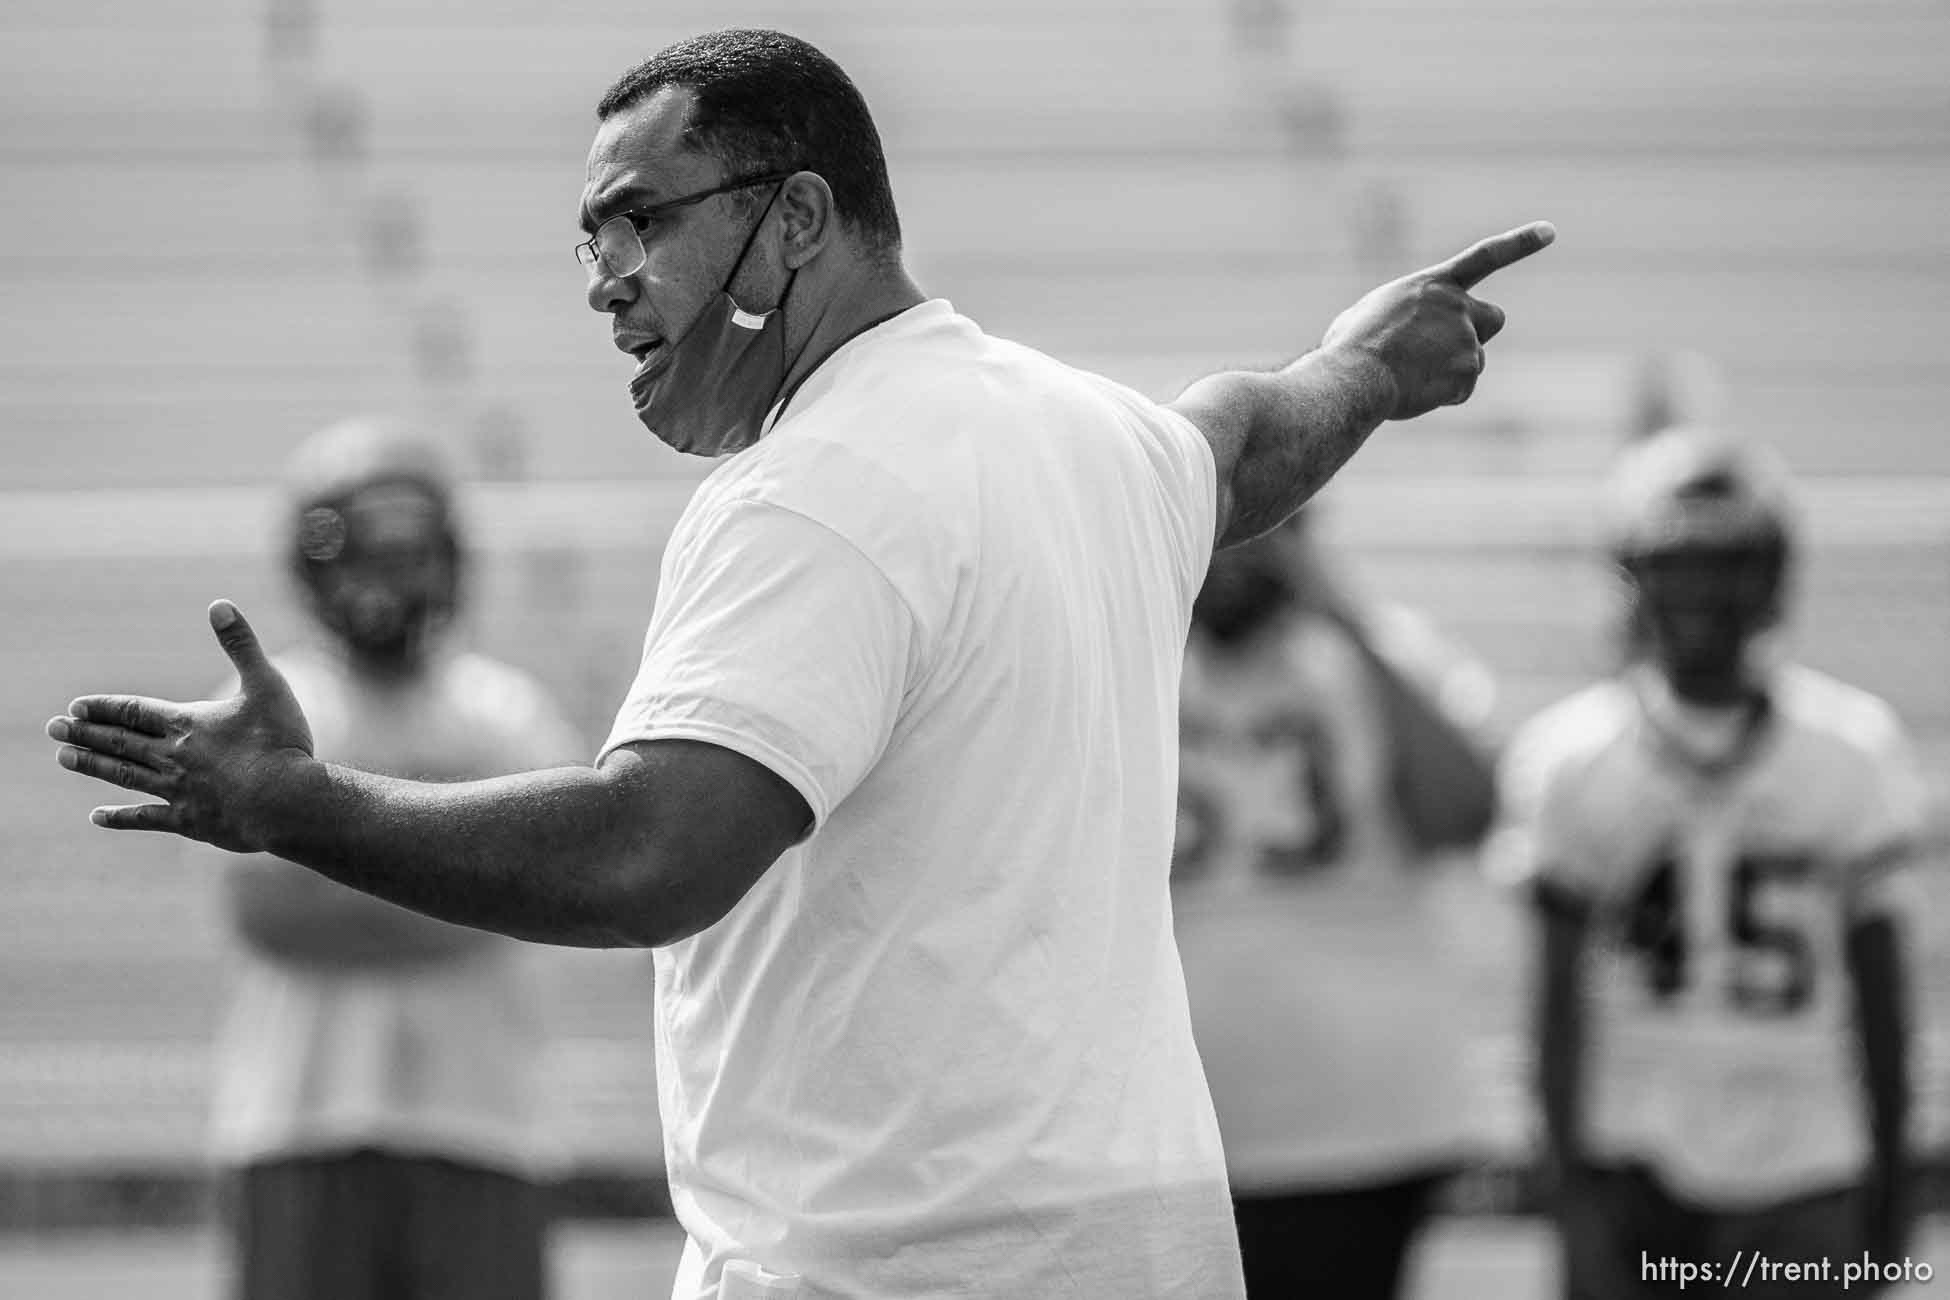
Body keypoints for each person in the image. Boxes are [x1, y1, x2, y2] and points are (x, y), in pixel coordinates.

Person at [46, 28, 1552, 1299]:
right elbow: (1254, 435)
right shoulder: (1088, 433)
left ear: (799, 217)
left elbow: (653, 855)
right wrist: (1369, 362)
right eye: (588, 237)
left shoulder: (815, 487)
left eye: (639, 220)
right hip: (1137, 1241)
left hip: (892, 1256)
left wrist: (297, 804)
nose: (604, 278)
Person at [1492, 426, 1928, 1299]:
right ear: (1633, 577)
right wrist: (1566, 1179)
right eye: (1676, 563)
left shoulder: (1852, 747)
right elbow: (1553, 1000)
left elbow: (1884, 991)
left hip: (1806, 1151)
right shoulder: (1571, 756)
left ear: (1772, 578)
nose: (1701, 592)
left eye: (1728, 563)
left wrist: (1895, 1167)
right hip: (1634, 1148)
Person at [208, 418, 586, 1300]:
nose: (384, 579)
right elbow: (267, 914)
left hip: (483, 1120)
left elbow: (555, 884)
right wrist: (462, 882)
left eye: (408, 551)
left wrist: (344, 869)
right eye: (356, 551)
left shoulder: (506, 713)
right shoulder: (274, 706)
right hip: (298, 1118)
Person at [1173, 511, 1499, 1299]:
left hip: (1361, 1122)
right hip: (1176, 1124)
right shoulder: (1123, 651)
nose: (1231, 557)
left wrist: (1342, 616)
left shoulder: (1383, 650)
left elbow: (1462, 810)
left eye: (1256, 526)